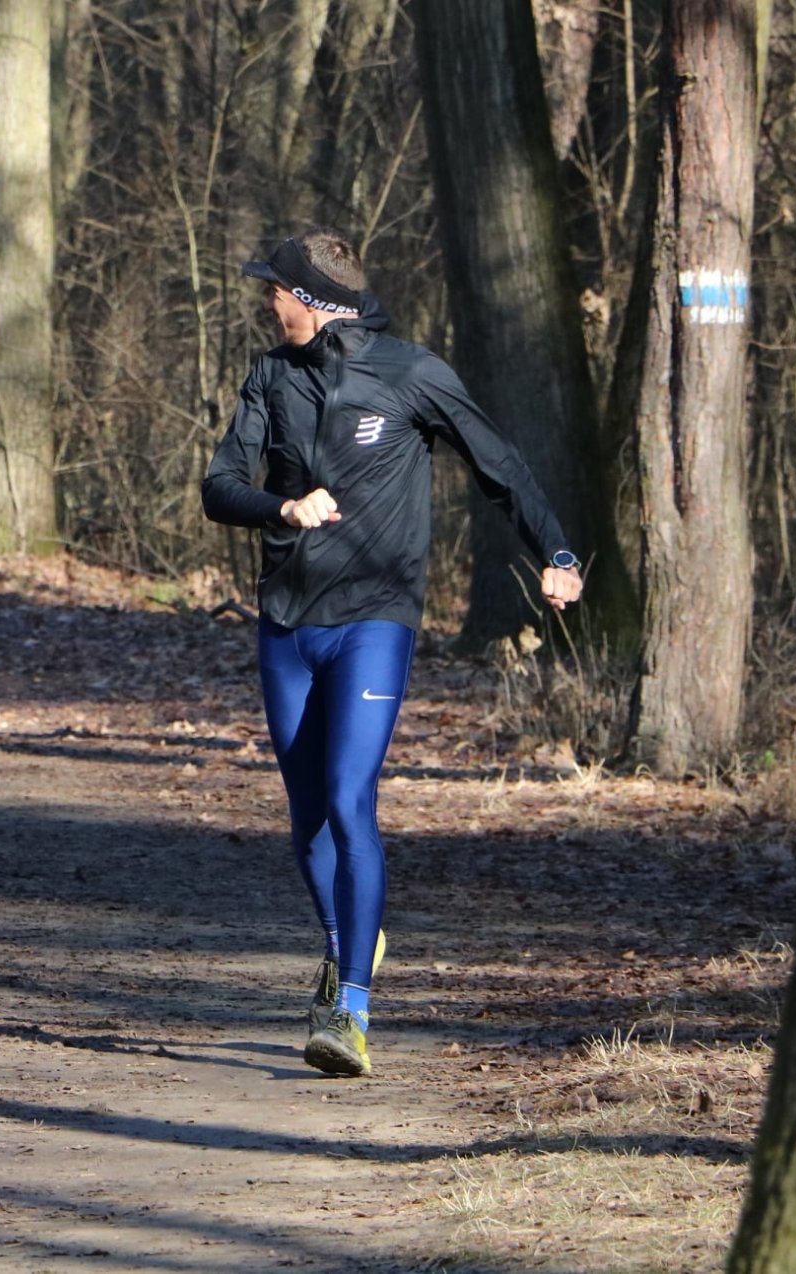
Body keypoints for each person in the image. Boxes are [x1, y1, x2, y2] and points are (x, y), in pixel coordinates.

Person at [201, 230, 585, 1078]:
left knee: (348, 798)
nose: (268, 302)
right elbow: (218, 487)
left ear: (316, 302)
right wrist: (282, 507)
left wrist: (555, 553)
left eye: (277, 291)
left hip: (376, 617)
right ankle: (349, 948)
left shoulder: (413, 374)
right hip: (288, 623)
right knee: (306, 824)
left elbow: (501, 466)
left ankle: (353, 1013)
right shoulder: (271, 376)